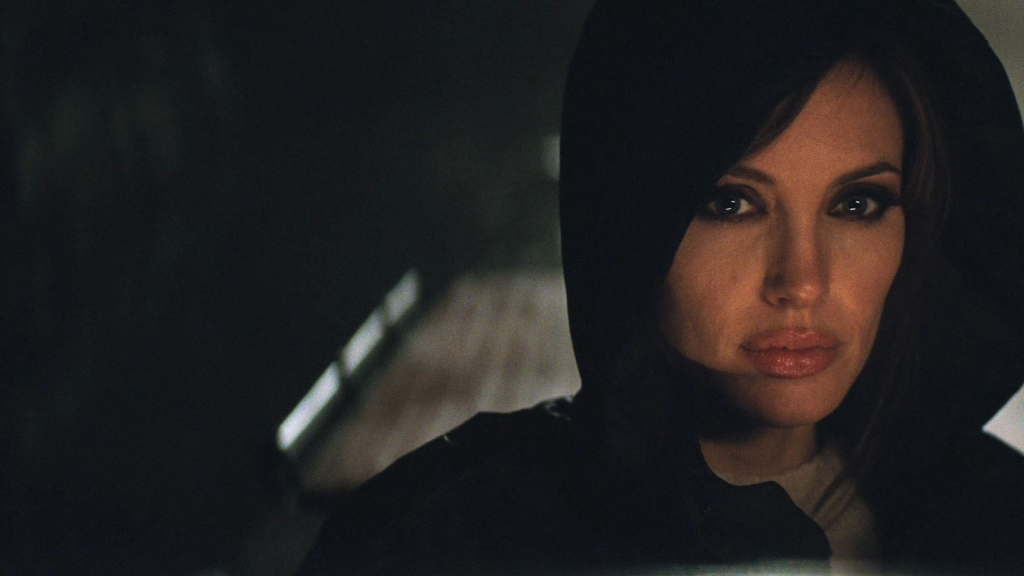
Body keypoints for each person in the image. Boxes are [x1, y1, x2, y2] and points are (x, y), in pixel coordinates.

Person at [298, 1, 1024, 573]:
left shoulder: (992, 512)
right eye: (730, 204)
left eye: (857, 203)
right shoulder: (446, 540)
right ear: (631, 222)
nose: (802, 282)